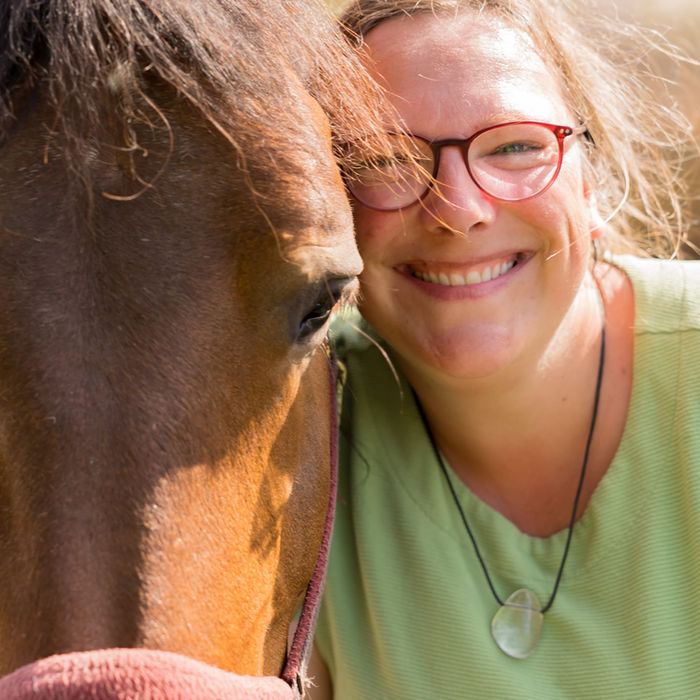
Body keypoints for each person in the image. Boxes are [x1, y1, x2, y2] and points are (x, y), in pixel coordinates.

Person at [306, 0, 700, 698]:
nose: (459, 210)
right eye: (387, 159)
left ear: (593, 182)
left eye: (515, 146)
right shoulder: (291, 431)